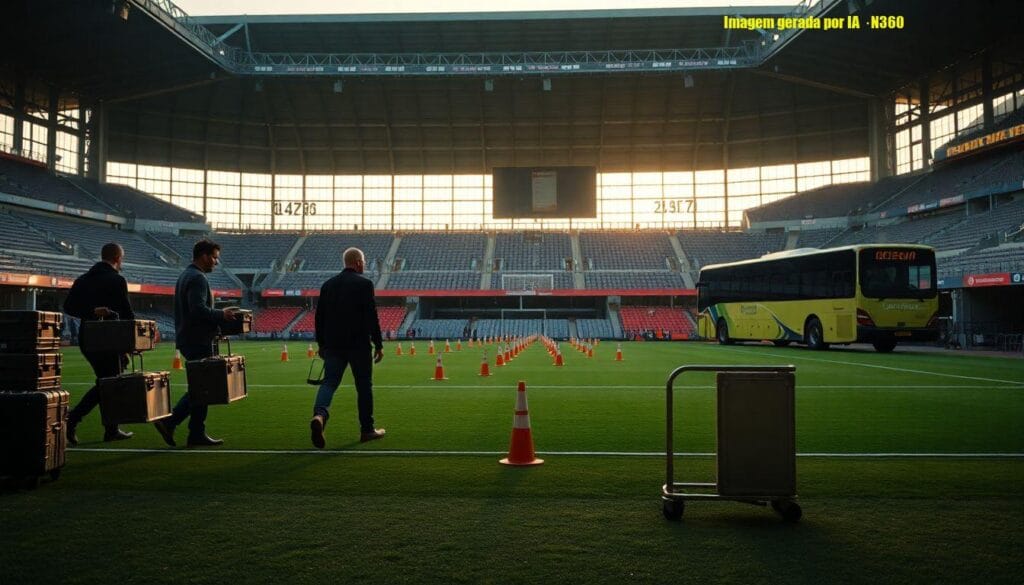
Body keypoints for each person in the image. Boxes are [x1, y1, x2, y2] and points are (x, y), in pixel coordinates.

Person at [153, 239, 239, 448]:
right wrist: (222, 314)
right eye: (215, 258)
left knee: (204, 387)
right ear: (204, 256)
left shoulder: (186, 275)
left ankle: (195, 432)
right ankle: (171, 422)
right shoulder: (198, 278)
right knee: (204, 387)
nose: (216, 263)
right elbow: (197, 309)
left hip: (190, 338)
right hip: (197, 340)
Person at [309, 247, 385, 449]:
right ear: (359, 262)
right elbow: (372, 317)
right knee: (364, 386)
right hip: (359, 346)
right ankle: (367, 430)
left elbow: (319, 318)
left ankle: (320, 415)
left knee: (329, 383)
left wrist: (321, 344)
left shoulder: (328, 285)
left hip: (334, 345)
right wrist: (378, 344)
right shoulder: (365, 284)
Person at [63, 243, 135, 445]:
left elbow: (69, 307)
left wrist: (92, 311)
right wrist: (131, 343)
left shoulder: (83, 280)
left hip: (88, 337)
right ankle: (73, 419)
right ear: (117, 258)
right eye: (122, 258)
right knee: (107, 383)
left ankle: (111, 429)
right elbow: (127, 315)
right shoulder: (117, 280)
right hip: (111, 338)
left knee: (107, 381)